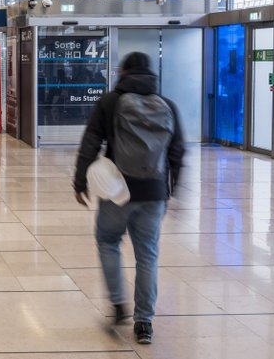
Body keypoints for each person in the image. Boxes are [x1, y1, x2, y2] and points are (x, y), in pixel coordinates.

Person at [73, 52, 184, 346]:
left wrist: (80, 180)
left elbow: (91, 141)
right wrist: (171, 188)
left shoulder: (110, 102)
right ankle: (144, 322)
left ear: (122, 71)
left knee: (108, 241)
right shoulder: (167, 105)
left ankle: (118, 304)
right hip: (154, 191)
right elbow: (178, 150)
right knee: (147, 254)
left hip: (117, 190)